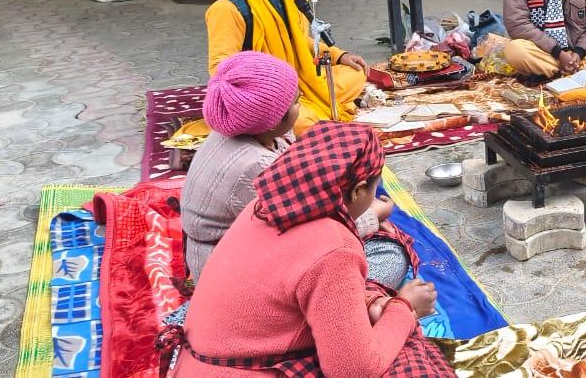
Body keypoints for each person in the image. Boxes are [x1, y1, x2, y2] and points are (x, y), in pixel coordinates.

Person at [170, 122, 453, 376]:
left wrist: (368, 302)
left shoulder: (261, 206)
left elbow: (296, 279)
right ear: (358, 190)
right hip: (237, 367)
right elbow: (354, 371)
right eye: (374, 189)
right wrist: (405, 309)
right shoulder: (334, 248)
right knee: (410, 354)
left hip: (197, 361)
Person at [181, 51, 395, 281]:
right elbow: (305, 239)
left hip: (244, 250)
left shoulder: (243, 130)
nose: (301, 106)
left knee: (363, 170)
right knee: (390, 259)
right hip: (233, 274)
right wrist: (371, 215)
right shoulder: (256, 167)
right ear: (273, 120)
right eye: (296, 102)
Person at [204, 0, 369, 135]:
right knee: (302, 123)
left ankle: (312, 107)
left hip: (301, 81)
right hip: (264, 93)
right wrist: (272, 85)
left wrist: (340, 56)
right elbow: (220, 68)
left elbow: (300, 41)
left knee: (355, 72)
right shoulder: (228, 8)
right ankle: (308, 115)